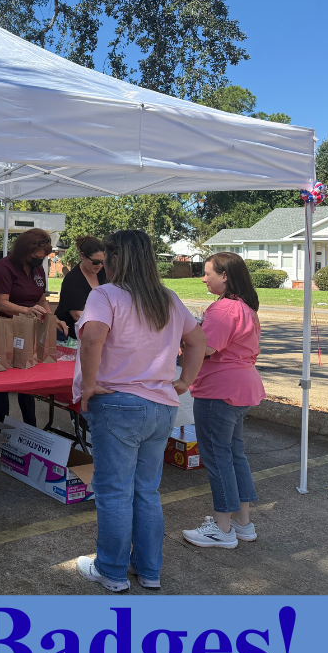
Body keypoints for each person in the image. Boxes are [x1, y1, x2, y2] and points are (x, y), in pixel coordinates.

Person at [74, 229, 206, 592]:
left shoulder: (105, 294)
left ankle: (112, 571)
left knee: (115, 492)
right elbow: (198, 340)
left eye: (106, 260)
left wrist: (88, 385)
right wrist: (185, 381)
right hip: (161, 405)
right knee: (147, 491)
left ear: (116, 259)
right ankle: (149, 570)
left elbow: (92, 337)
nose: (103, 267)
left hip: (117, 403)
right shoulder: (168, 297)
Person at [182, 253, 265, 549]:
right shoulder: (245, 307)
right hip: (242, 387)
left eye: (208, 273)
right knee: (233, 454)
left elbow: (205, 348)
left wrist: (182, 339)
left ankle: (222, 527)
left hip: (219, 389)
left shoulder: (223, 308)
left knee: (218, 457)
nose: (203, 278)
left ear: (225, 275)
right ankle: (242, 522)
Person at [0, 228, 67, 426]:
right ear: (24, 251)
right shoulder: (3, 268)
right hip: (2, 329)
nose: (40, 260)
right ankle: (2, 428)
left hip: (26, 330)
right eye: (36, 257)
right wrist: (26, 310)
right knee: (2, 382)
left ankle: (30, 428)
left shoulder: (38, 270)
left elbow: (41, 299)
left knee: (27, 379)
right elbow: (2, 303)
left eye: (43, 257)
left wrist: (52, 318)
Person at [55, 236, 107, 340]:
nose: (100, 265)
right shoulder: (72, 280)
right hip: (70, 336)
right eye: (95, 262)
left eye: (102, 261)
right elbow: (78, 315)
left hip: (94, 331)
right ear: (82, 256)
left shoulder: (103, 273)